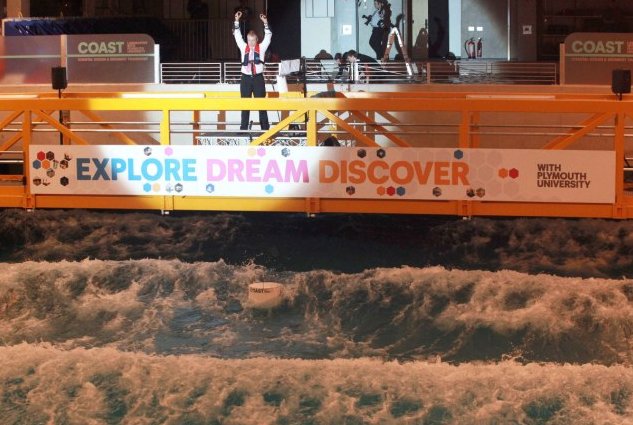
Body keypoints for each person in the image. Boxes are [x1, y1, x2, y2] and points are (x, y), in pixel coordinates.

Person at [233, 10, 272, 130]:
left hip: (258, 79)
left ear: (256, 40)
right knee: (245, 105)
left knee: (261, 105)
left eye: (253, 40)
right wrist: (236, 21)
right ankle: (243, 129)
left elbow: (268, 36)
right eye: (249, 40)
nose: (251, 43)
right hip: (245, 79)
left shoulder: (261, 48)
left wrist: (265, 23)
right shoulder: (243, 46)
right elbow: (237, 35)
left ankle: (265, 129)